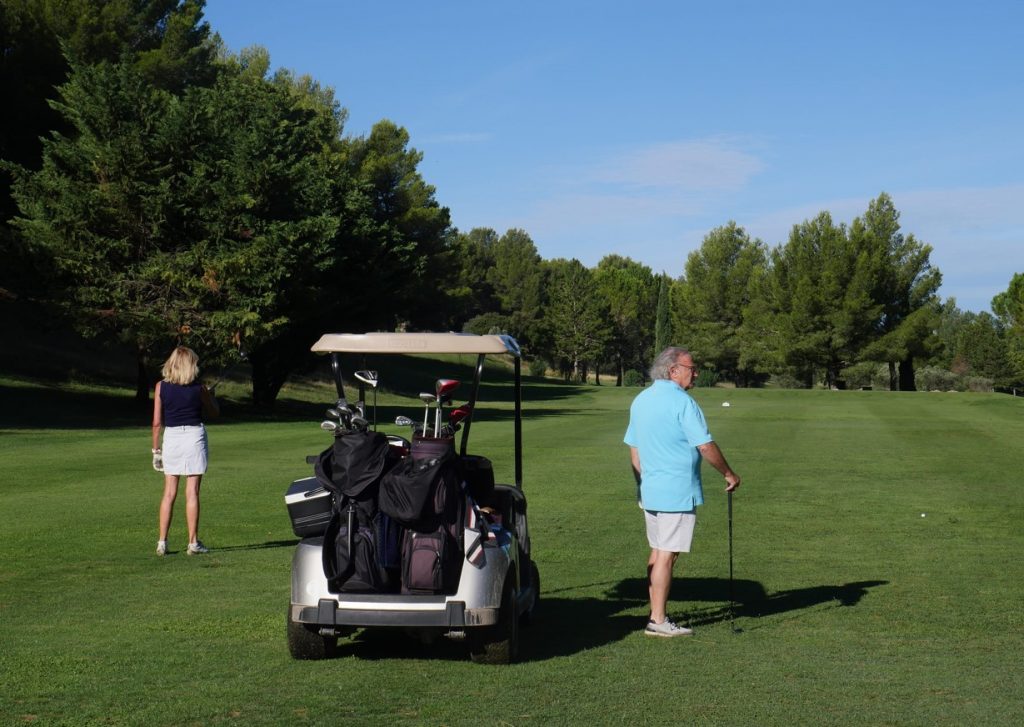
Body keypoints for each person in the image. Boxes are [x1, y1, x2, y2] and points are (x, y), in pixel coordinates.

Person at [623, 347, 741, 637]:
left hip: (650, 489)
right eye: (691, 368)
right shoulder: (683, 402)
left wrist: (641, 484)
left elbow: (634, 449)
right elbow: (704, 445)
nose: (695, 373)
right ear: (673, 370)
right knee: (666, 553)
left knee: (659, 551)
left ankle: (655, 614)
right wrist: (728, 473)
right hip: (676, 490)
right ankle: (658, 621)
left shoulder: (641, 399)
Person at [151, 346, 219, 556]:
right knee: (192, 492)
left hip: (172, 437)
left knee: (169, 492)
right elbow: (215, 413)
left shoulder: (161, 387)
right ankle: (192, 543)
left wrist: (156, 449)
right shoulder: (199, 388)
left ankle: (162, 542)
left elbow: (156, 422)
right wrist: (211, 397)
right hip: (193, 437)